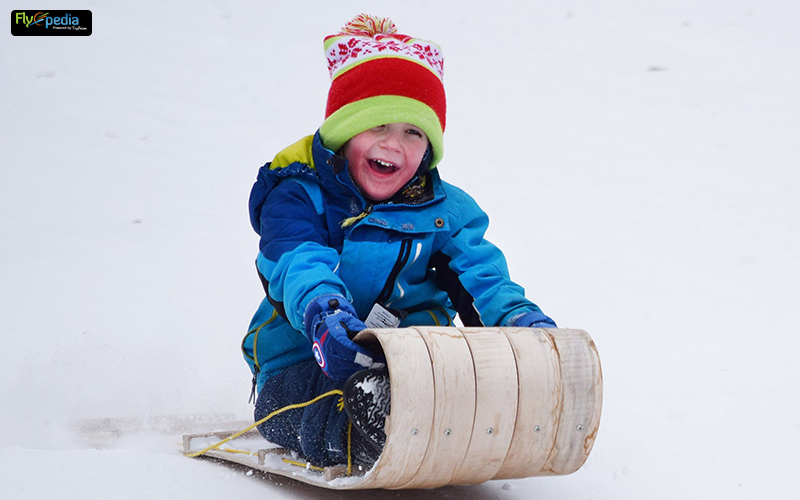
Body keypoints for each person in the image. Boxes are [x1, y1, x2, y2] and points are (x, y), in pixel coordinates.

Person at [241, 14, 556, 473]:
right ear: (343, 131)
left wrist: (521, 323)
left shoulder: (447, 212)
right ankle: (369, 429)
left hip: (421, 367)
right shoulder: (297, 195)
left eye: (414, 132)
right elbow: (298, 263)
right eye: (377, 126)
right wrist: (324, 314)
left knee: (463, 389)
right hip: (303, 362)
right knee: (324, 410)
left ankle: (452, 423)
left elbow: (482, 279)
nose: (395, 144)